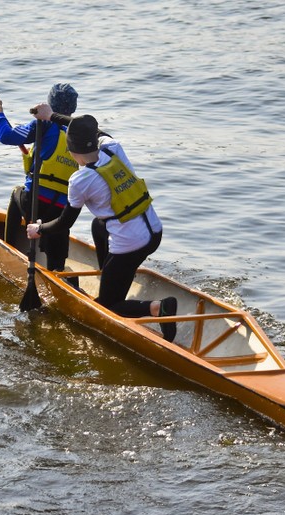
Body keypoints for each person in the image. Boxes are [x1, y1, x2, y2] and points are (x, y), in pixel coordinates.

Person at [25, 105, 178, 342]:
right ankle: (110, 274)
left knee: (108, 306)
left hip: (132, 244)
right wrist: (52, 116)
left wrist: (39, 229)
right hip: (154, 230)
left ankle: (160, 308)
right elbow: (88, 128)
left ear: (71, 149)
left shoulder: (81, 179)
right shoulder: (112, 148)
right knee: (99, 224)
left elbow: (65, 222)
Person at [0, 84, 79, 272]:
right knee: (59, 234)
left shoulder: (43, 125)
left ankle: (8, 251)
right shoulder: (78, 133)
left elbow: (6, 135)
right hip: (62, 211)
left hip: (35, 203)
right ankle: (57, 270)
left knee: (16, 193)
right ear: (73, 108)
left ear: (50, 104)